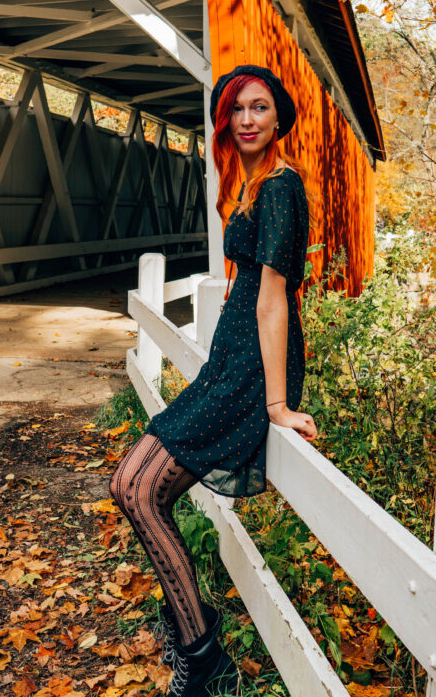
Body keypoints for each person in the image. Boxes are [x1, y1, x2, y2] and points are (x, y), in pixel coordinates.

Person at [109, 64, 318, 697]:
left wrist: (278, 403)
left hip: (252, 371)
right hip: (229, 359)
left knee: (143, 493)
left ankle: (203, 658)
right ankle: (196, 631)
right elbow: (244, 283)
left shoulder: (281, 187)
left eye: (259, 107)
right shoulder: (250, 184)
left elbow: (274, 299)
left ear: (278, 117)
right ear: (226, 121)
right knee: (127, 484)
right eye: (237, 110)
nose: (248, 119)